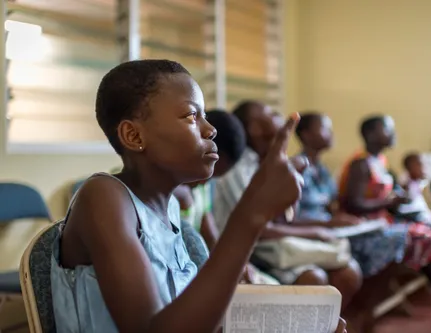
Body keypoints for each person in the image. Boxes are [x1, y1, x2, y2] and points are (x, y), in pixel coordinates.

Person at [50, 60, 320, 333]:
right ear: (133, 135)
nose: (210, 130)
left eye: (205, 116)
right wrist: (252, 213)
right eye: (192, 116)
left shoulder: (170, 209)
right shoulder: (103, 198)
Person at [337, 115, 431, 331]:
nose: (393, 134)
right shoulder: (360, 163)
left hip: (382, 227)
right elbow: (353, 203)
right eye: (387, 129)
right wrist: (389, 201)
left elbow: (384, 203)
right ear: (370, 134)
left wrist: (398, 202)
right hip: (364, 233)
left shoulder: (380, 162)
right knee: (424, 238)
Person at [214, 101, 362, 308]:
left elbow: (282, 218)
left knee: (349, 272)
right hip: (254, 251)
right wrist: (315, 231)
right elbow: (256, 226)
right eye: (270, 112)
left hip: (272, 244)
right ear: (255, 128)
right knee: (314, 280)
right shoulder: (238, 167)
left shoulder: (265, 162)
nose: (277, 115)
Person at [174, 109, 279, 285]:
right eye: (206, 173)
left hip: (201, 273)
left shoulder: (200, 190)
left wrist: (239, 265)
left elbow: (210, 236)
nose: (206, 181)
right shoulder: (164, 192)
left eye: (214, 176)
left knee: (271, 287)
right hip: (186, 279)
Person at [294, 112, 360, 225]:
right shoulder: (296, 169)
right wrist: (330, 223)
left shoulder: (322, 169)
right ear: (306, 135)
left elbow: (330, 205)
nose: (331, 134)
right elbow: (293, 218)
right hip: (308, 230)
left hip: (327, 226)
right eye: (325, 129)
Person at [398, 152, 431, 225]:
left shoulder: (425, 183)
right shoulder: (406, 184)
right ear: (409, 168)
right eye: (419, 164)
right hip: (414, 216)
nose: (423, 167)